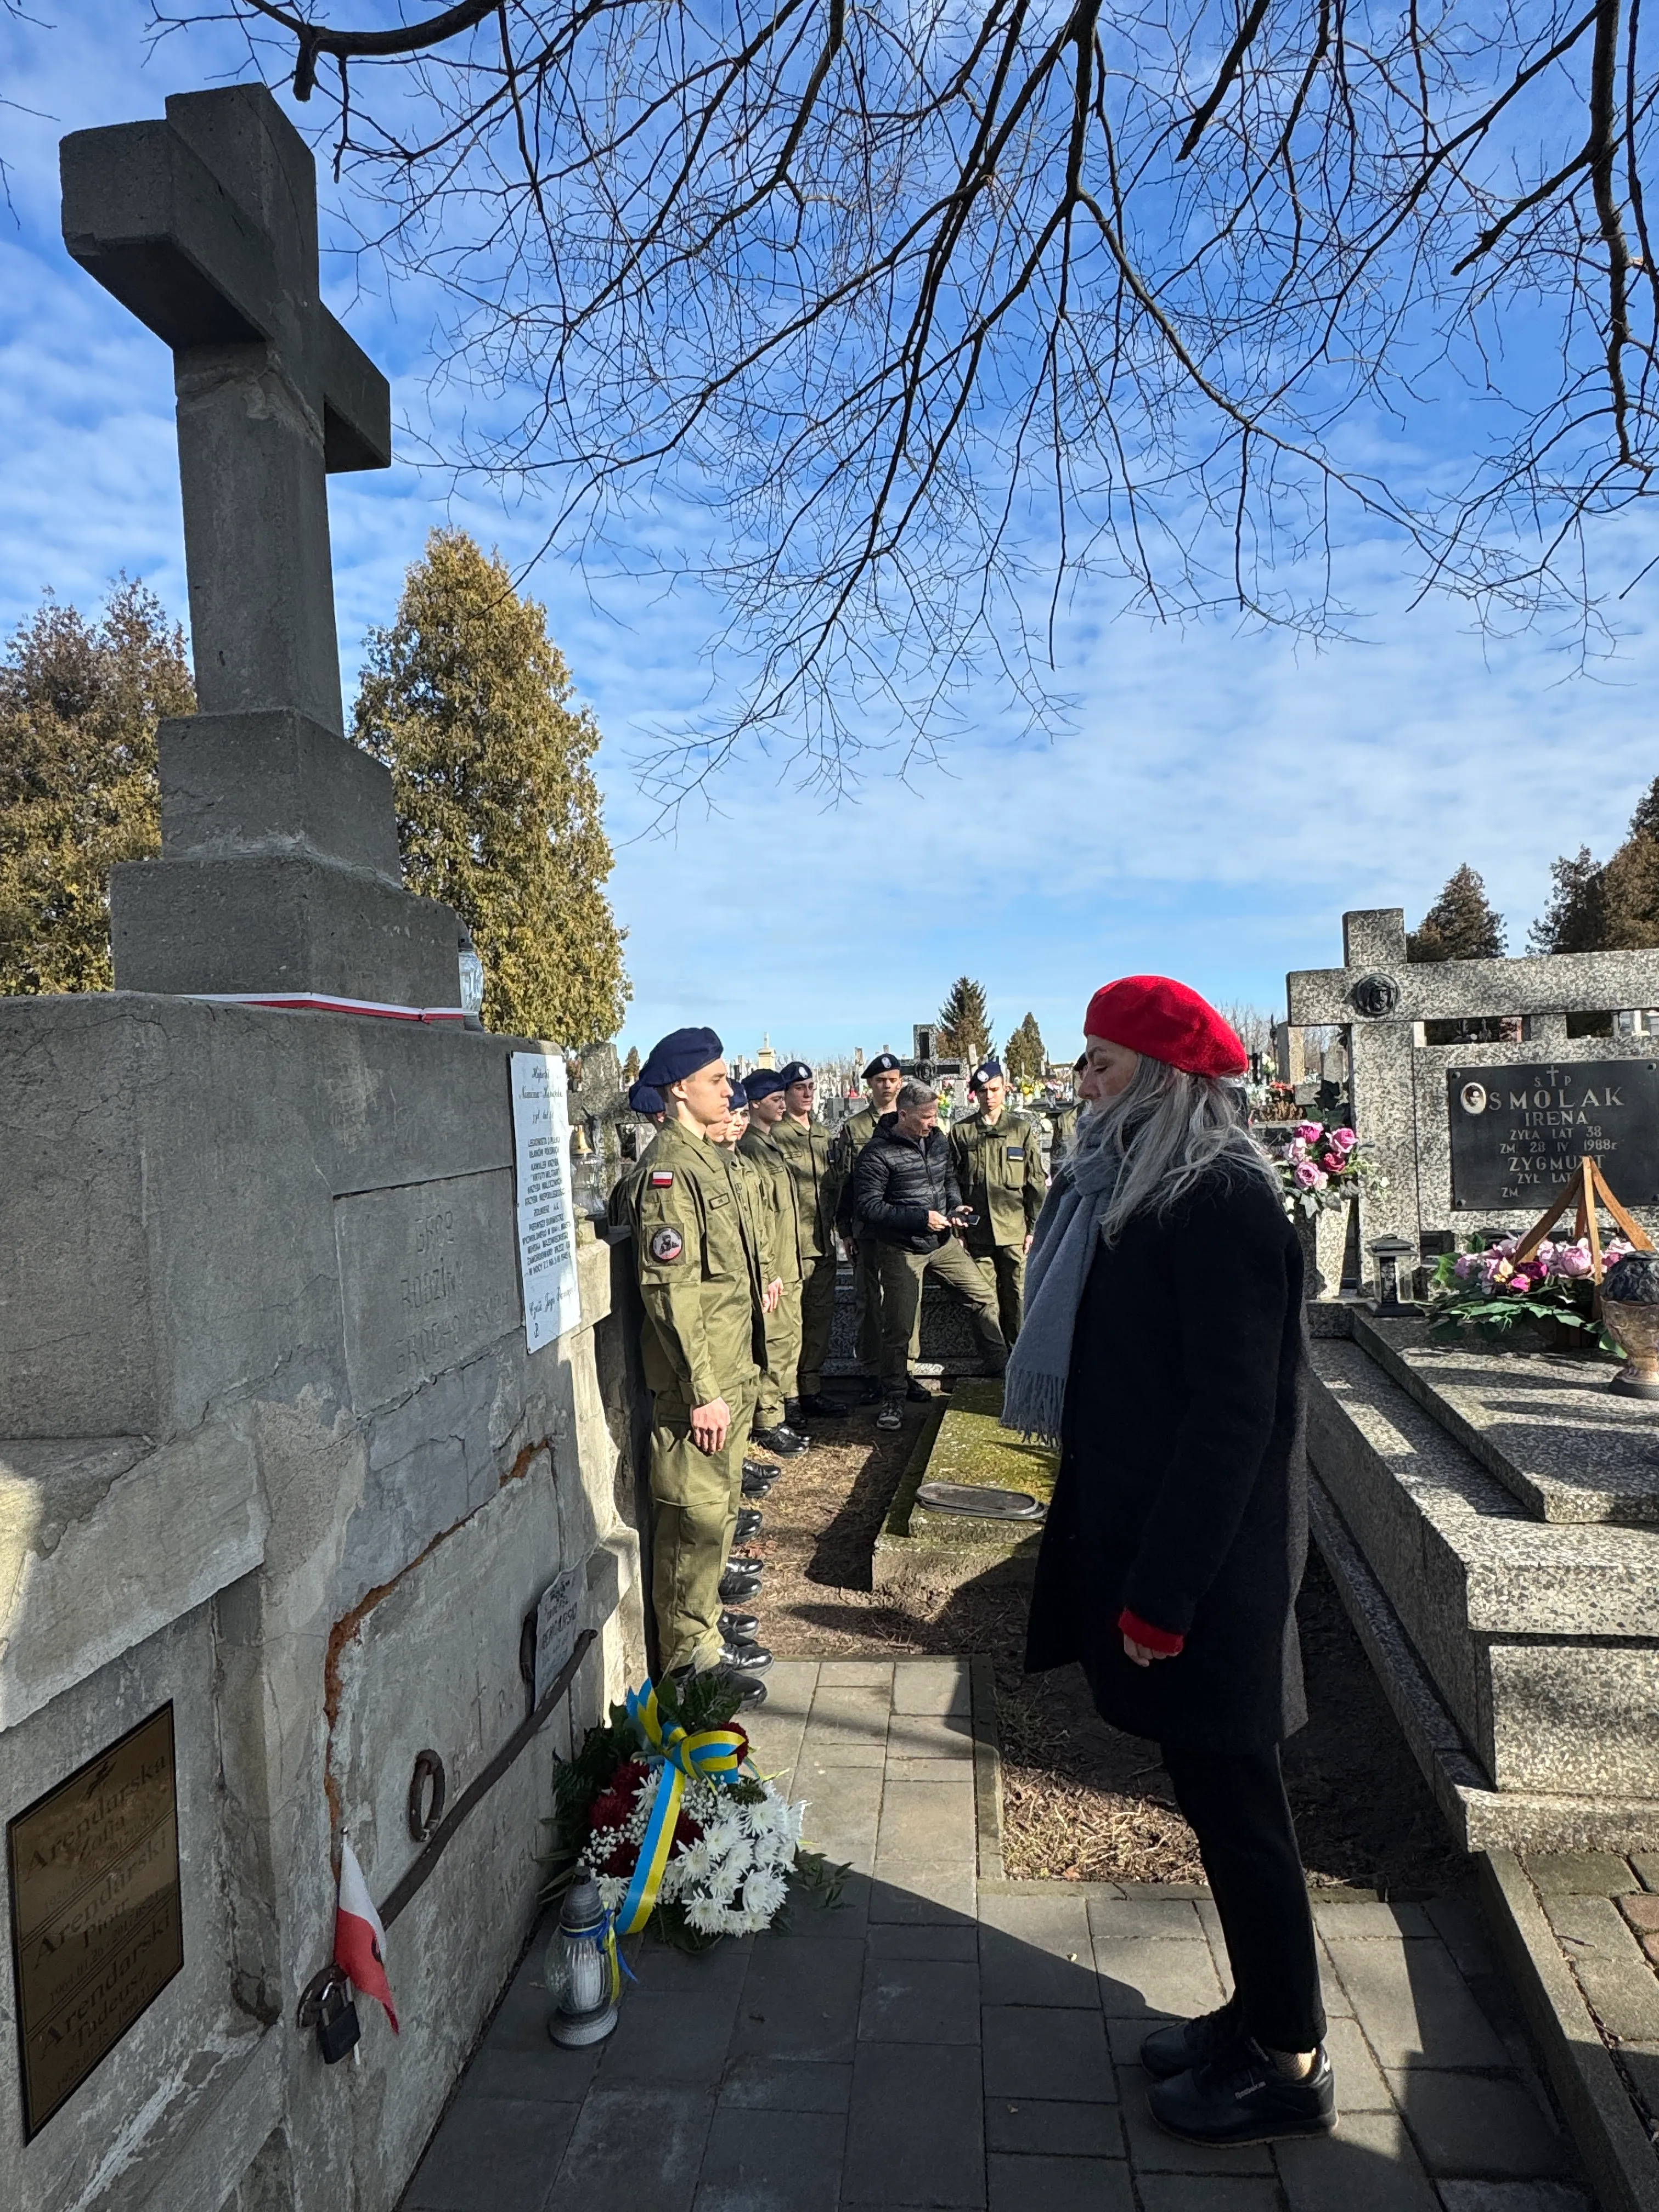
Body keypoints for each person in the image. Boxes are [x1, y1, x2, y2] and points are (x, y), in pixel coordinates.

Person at [1008, 977, 1333, 2146]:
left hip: (1210, 1568)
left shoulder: (1223, 1203)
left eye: (1099, 1065)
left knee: (1242, 1807)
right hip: (1164, 1546)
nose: (1081, 1086)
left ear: (1160, 1075)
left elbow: (1233, 1420)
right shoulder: (1140, 1189)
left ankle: (1290, 2057)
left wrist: (1163, 1595)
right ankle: (1256, 2015)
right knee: (1212, 1795)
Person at [628, 1026, 774, 1705]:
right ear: (680, 1087)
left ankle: (708, 1638)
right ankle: (689, 1673)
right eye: (716, 1079)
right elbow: (671, 1288)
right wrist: (702, 1391)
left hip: (732, 1370)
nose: (728, 1088)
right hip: (700, 1385)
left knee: (716, 1517)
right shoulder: (670, 1168)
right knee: (693, 1522)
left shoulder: (709, 1159)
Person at [853, 1077, 1007, 1431]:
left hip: (942, 1243)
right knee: (900, 1326)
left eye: (936, 1114)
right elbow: (869, 1207)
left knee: (983, 1296)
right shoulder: (877, 1154)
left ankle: (1000, 1369)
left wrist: (954, 1208)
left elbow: (947, 1178)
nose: (933, 1122)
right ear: (903, 1115)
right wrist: (921, 1218)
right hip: (902, 1249)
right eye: (925, 1117)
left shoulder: (936, 1141)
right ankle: (894, 1395)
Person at [737, 1070, 812, 1457]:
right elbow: (758, 1218)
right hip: (775, 1266)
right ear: (753, 1103)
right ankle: (768, 1421)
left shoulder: (769, 1145)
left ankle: (781, 1408)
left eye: (783, 1097)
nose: (782, 1103)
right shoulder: (750, 1150)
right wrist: (769, 1270)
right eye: (774, 1099)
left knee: (788, 1341)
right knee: (774, 1342)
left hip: (790, 1260)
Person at [950, 1057, 1047, 1344]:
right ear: (975, 1095)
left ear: (1005, 1089)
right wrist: (959, 1231)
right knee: (984, 1297)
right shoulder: (962, 1132)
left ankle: (1019, 1349)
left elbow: (1035, 1182)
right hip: (978, 1232)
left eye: (994, 1089)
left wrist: (1034, 1228)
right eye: (983, 1091)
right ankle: (996, 1358)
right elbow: (952, 1182)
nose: (989, 1097)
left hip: (1014, 1230)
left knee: (1017, 1294)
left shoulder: (1020, 1129)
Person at [772, 1060, 849, 1419]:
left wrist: (842, 1230)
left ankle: (812, 1388)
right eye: (799, 1088)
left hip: (822, 1241)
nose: (807, 1093)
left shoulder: (822, 1135)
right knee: (789, 1324)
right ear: (785, 1095)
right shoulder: (776, 1137)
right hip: (790, 1246)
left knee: (819, 1319)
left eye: (810, 1087)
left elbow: (834, 1188)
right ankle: (788, 1397)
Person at [831, 1052, 906, 1403]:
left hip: (904, 1229)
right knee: (869, 1300)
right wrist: (845, 1231)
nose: (887, 1085)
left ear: (901, 1082)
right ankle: (872, 1371)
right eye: (880, 1081)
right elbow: (846, 1182)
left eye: (892, 1079)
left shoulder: (913, 1119)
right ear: (871, 1086)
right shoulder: (856, 1128)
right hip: (868, 1229)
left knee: (905, 1303)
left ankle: (904, 1372)